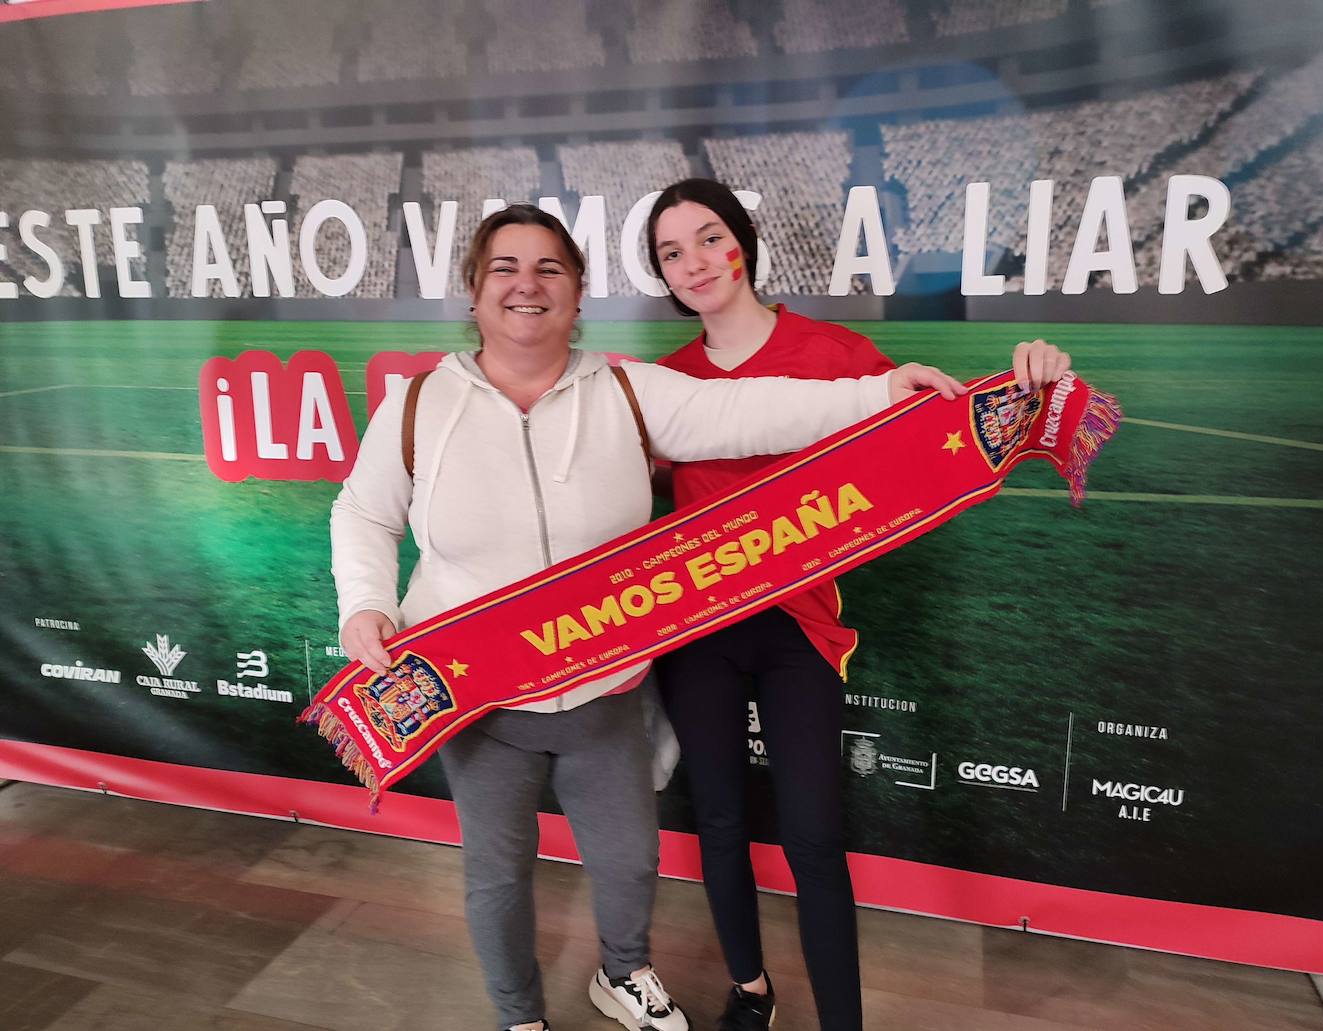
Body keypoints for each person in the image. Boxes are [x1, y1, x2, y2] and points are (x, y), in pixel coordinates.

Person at [329, 203, 982, 1031]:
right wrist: (366, 603)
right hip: (478, 697)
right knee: (497, 875)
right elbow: (363, 513)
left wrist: (880, 389)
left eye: (549, 270)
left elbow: (754, 410)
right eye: (505, 268)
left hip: (606, 693)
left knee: (631, 860)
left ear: (577, 293)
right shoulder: (419, 405)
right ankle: (519, 1015)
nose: (526, 286)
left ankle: (622, 973)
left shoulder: (630, 390)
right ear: (473, 288)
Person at [646, 178, 1070, 1031]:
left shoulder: (835, 352)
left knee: (811, 835)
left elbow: (938, 433)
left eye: (708, 237)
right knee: (720, 819)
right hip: (697, 633)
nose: (693, 262)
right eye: (670, 252)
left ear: (744, 243)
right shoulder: (663, 383)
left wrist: (1035, 377)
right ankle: (751, 991)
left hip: (801, 627)